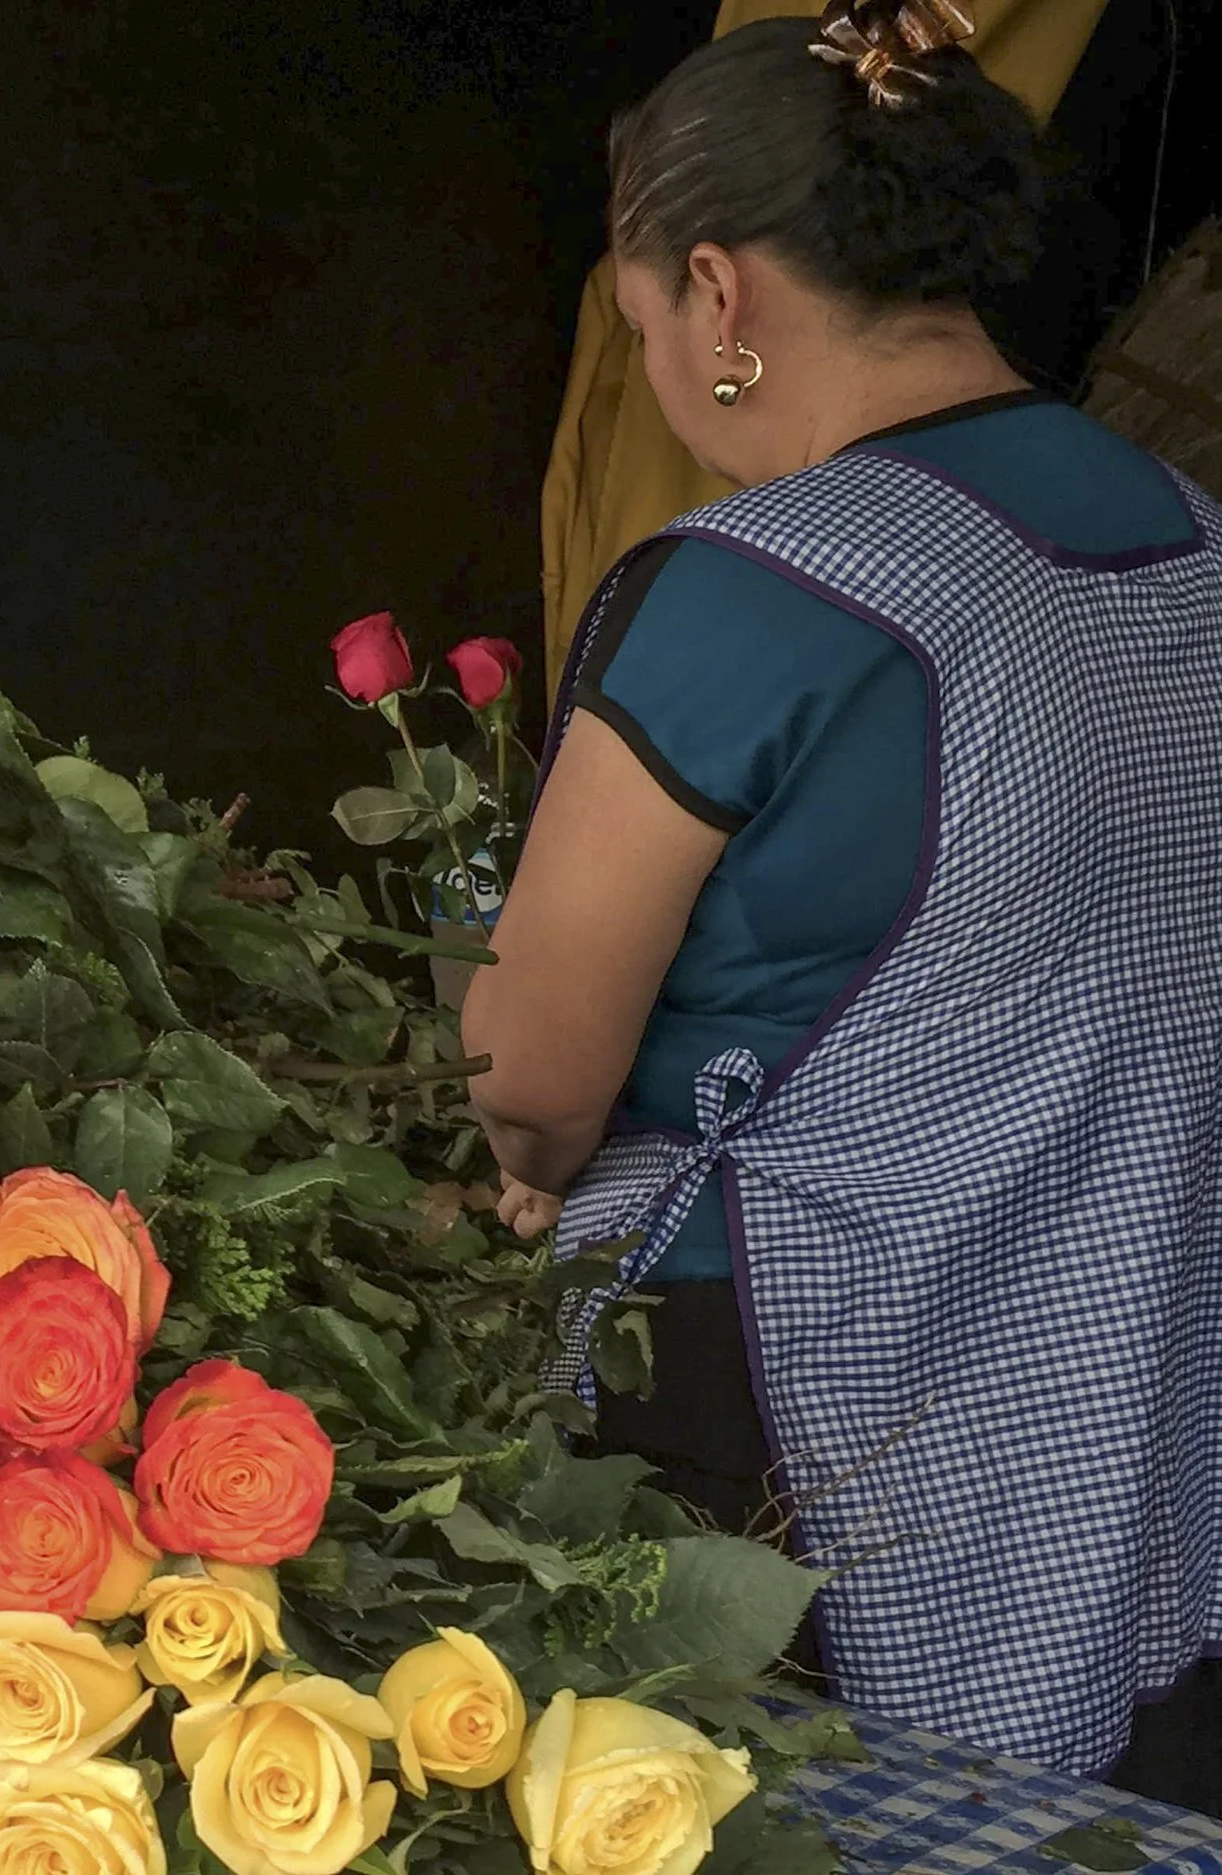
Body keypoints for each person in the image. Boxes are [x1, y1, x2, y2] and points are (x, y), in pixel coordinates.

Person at [461, 0, 1222, 1807]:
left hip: (786, 1407)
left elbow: (536, 1085)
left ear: (718, 296)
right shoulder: (1189, 530)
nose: (652, 362)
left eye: (640, 320)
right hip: (1122, 1342)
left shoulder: (750, 588)